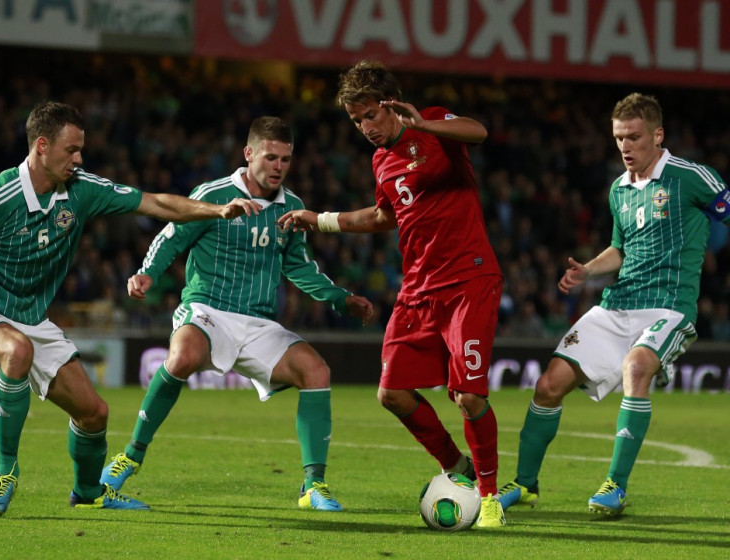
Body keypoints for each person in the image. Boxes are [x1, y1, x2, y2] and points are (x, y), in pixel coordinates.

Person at [100, 116, 373, 511]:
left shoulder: (292, 207)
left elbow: (298, 266)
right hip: (208, 307)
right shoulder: (214, 194)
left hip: (259, 322)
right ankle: (130, 456)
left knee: (317, 372)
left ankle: (314, 485)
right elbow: (173, 234)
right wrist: (147, 274)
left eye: (286, 159)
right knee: (182, 356)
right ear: (249, 154)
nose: (279, 166)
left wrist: (339, 298)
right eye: (271, 157)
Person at [0, 101, 252, 515]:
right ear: (41, 146)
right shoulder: (2, 195)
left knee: (95, 413)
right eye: (71, 149)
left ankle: (89, 494)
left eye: (81, 149)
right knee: (16, 350)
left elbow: (157, 204)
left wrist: (216, 210)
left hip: (30, 318)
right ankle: (3, 473)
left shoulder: (81, 189)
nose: (79, 158)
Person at [278, 60, 505, 528]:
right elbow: (385, 217)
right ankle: (455, 466)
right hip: (419, 287)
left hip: (468, 280)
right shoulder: (381, 160)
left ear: (390, 105)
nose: (364, 128)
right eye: (356, 121)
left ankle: (489, 497)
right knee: (392, 393)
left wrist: (423, 122)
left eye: (369, 116)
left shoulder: (436, 124)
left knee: (468, 397)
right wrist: (319, 219)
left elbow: (479, 132)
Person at [497, 92, 730, 516]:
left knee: (636, 368)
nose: (625, 146)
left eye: (634, 137)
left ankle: (615, 487)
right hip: (618, 303)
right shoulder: (618, 189)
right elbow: (620, 249)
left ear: (657, 135)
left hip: (669, 307)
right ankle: (526, 484)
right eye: (619, 137)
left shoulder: (689, 176)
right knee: (548, 386)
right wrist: (588, 270)